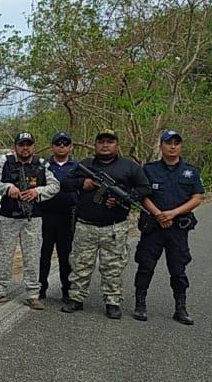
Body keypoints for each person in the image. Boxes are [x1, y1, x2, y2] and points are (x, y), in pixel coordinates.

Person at [60, 129, 150, 319]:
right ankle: (76, 298)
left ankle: (112, 301)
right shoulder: (85, 165)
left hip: (114, 227)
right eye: (101, 141)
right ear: (95, 145)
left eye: (110, 141)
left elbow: (144, 187)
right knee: (80, 264)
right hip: (86, 225)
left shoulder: (129, 167)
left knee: (113, 267)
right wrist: (82, 183)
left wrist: (124, 199)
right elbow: (65, 183)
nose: (105, 145)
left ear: (117, 145)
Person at [133, 130, 204, 325]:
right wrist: (158, 214)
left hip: (177, 228)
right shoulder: (149, 169)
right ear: (161, 146)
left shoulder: (191, 171)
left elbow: (197, 197)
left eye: (176, 143)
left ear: (181, 146)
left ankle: (180, 308)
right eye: (168, 143)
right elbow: (142, 194)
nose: (173, 146)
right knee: (145, 265)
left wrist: (172, 213)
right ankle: (140, 304)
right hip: (153, 227)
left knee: (178, 269)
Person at [0, 132, 59, 310]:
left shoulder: (41, 165)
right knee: (4, 256)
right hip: (8, 216)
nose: (25, 148)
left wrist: (38, 192)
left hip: (33, 218)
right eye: (21, 144)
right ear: (15, 146)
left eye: (28, 144)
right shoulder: (6, 163)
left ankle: (33, 294)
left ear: (33, 146)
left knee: (32, 257)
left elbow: (55, 186)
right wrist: (8, 188)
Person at [38, 131, 78, 302]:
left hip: (67, 216)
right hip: (44, 215)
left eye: (65, 144)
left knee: (65, 256)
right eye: (58, 144)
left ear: (71, 147)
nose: (62, 147)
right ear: (52, 146)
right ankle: (40, 288)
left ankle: (67, 290)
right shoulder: (43, 166)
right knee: (43, 254)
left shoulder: (78, 167)